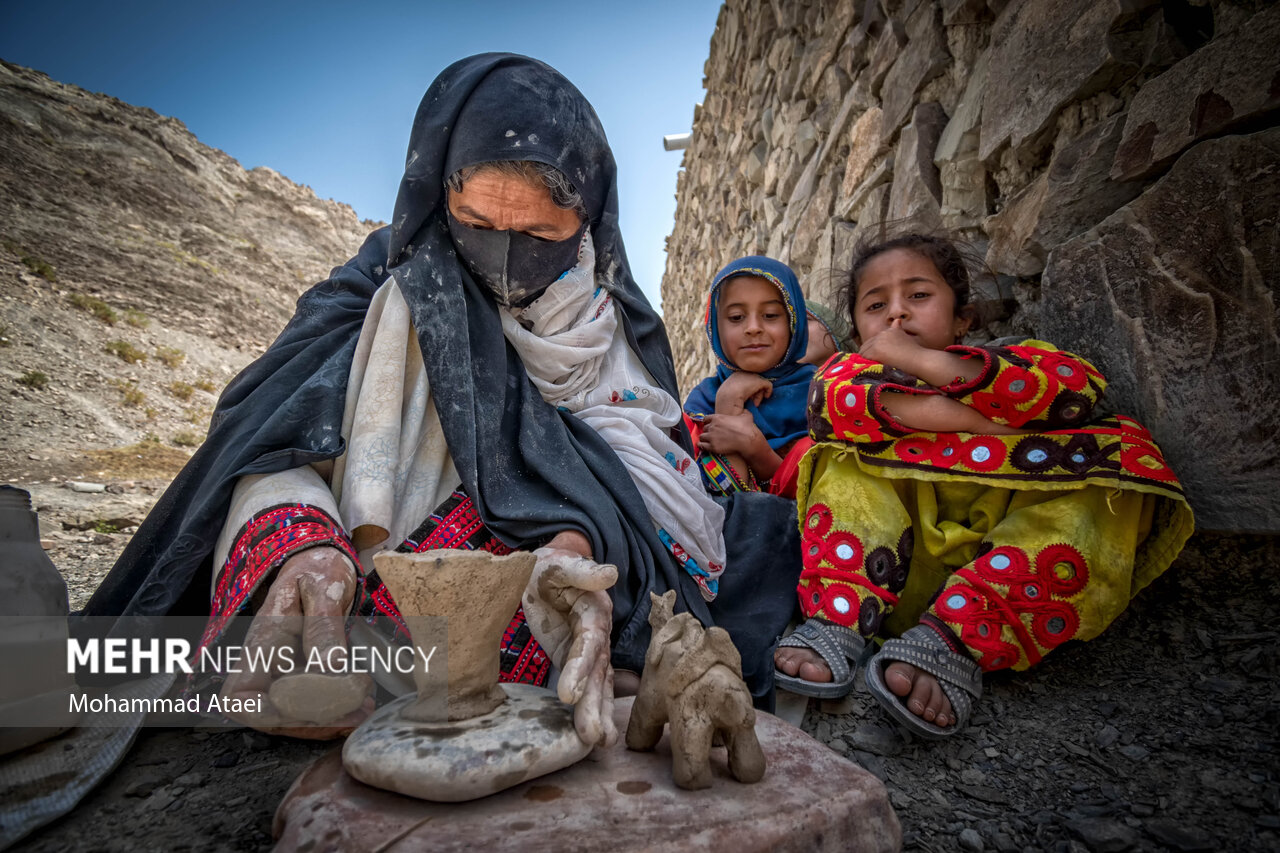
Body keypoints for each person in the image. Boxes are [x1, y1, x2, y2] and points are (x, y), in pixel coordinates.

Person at [72, 54, 802, 741]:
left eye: (544, 232)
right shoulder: (371, 295)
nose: (510, 254)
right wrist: (302, 539)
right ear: (438, 196)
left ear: (589, 222)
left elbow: (635, 486)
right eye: (480, 225)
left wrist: (574, 544)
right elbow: (266, 430)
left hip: (534, 576)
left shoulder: (611, 330)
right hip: (369, 566)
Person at [773, 232, 1194, 738]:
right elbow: (829, 404)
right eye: (875, 305)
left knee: (1124, 459)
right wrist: (989, 423)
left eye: (919, 296)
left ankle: (955, 642)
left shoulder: (1018, 358)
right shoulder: (847, 374)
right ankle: (837, 622)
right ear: (858, 328)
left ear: (963, 319)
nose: (897, 315)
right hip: (886, 578)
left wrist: (931, 365)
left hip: (1004, 579)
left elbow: (1074, 392)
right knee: (837, 457)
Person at [683, 256, 818, 500]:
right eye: (736, 317)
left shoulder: (826, 396)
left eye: (770, 315)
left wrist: (757, 451)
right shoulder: (698, 408)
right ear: (715, 326)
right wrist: (726, 404)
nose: (753, 327)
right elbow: (698, 505)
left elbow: (832, 495)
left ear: (793, 321)